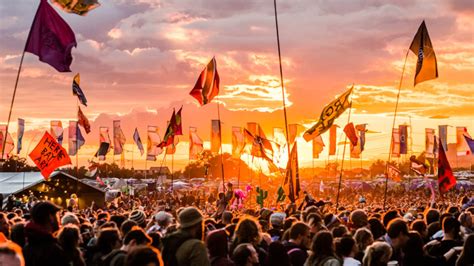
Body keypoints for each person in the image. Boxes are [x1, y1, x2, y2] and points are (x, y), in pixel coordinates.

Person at [22, 201, 69, 266]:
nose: (59, 219)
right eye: (57, 215)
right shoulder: (53, 250)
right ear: (50, 217)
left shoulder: (26, 247)